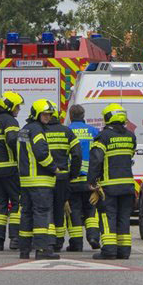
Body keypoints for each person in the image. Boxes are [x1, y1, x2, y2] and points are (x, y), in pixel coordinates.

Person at [87, 103, 137, 260]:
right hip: (128, 186)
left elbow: (96, 160)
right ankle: (124, 250)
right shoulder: (131, 136)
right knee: (123, 218)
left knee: (107, 217)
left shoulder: (103, 137)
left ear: (108, 117)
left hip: (109, 186)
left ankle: (108, 251)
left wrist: (92, 182)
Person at [17, 99, 59, 260]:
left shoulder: (24, 130)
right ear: (36, 114)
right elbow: (41, 153)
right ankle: (42, 250)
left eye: (49, 114)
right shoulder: (37, 131)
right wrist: (54, 168)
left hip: (26, 180)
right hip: (40, 181)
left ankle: (24, 250)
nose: (48, 117)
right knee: (42, 214)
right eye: (45, 114)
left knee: (26, 214)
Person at [0, 92, 23, 252]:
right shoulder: (10, 121)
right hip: (9, 168)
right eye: (17, 106)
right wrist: (22, 156)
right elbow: (12, 139)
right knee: (17, 202)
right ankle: (15, 238)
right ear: (10, 107)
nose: (19, 109)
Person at [44, 105, 81, 252]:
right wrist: (73, 174)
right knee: (60, 209)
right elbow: (77, 155)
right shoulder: (67, 132)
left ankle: (48, 240)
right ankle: (58, 242)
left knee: (45, 209)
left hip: (44, 177)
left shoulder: (40, 132)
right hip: (63, 177)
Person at [64, 104, 100, 251]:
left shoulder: (66, 131)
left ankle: (76, 244)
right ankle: (93, 237)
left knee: (74, 211)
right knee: (91, 210)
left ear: (71, 116)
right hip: (90, 180)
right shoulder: (94, 132)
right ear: (83, 115)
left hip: (72, 179)